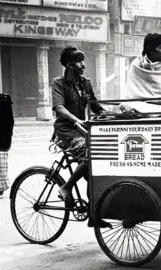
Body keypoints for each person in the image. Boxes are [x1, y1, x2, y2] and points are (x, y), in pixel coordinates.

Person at [51, 46, 105, 205]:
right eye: (79, 62)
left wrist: (116, 113)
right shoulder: (59, 83)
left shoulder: (85, 84)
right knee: (91, 155)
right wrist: (76, 120)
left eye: (83, 61)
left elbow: (97, 107)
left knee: (96, 168)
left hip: (82, 130)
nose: (83, 65)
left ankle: (93, 213)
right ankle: (66, 187)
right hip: (66, 130)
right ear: (69, 66)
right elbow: (58, 107)